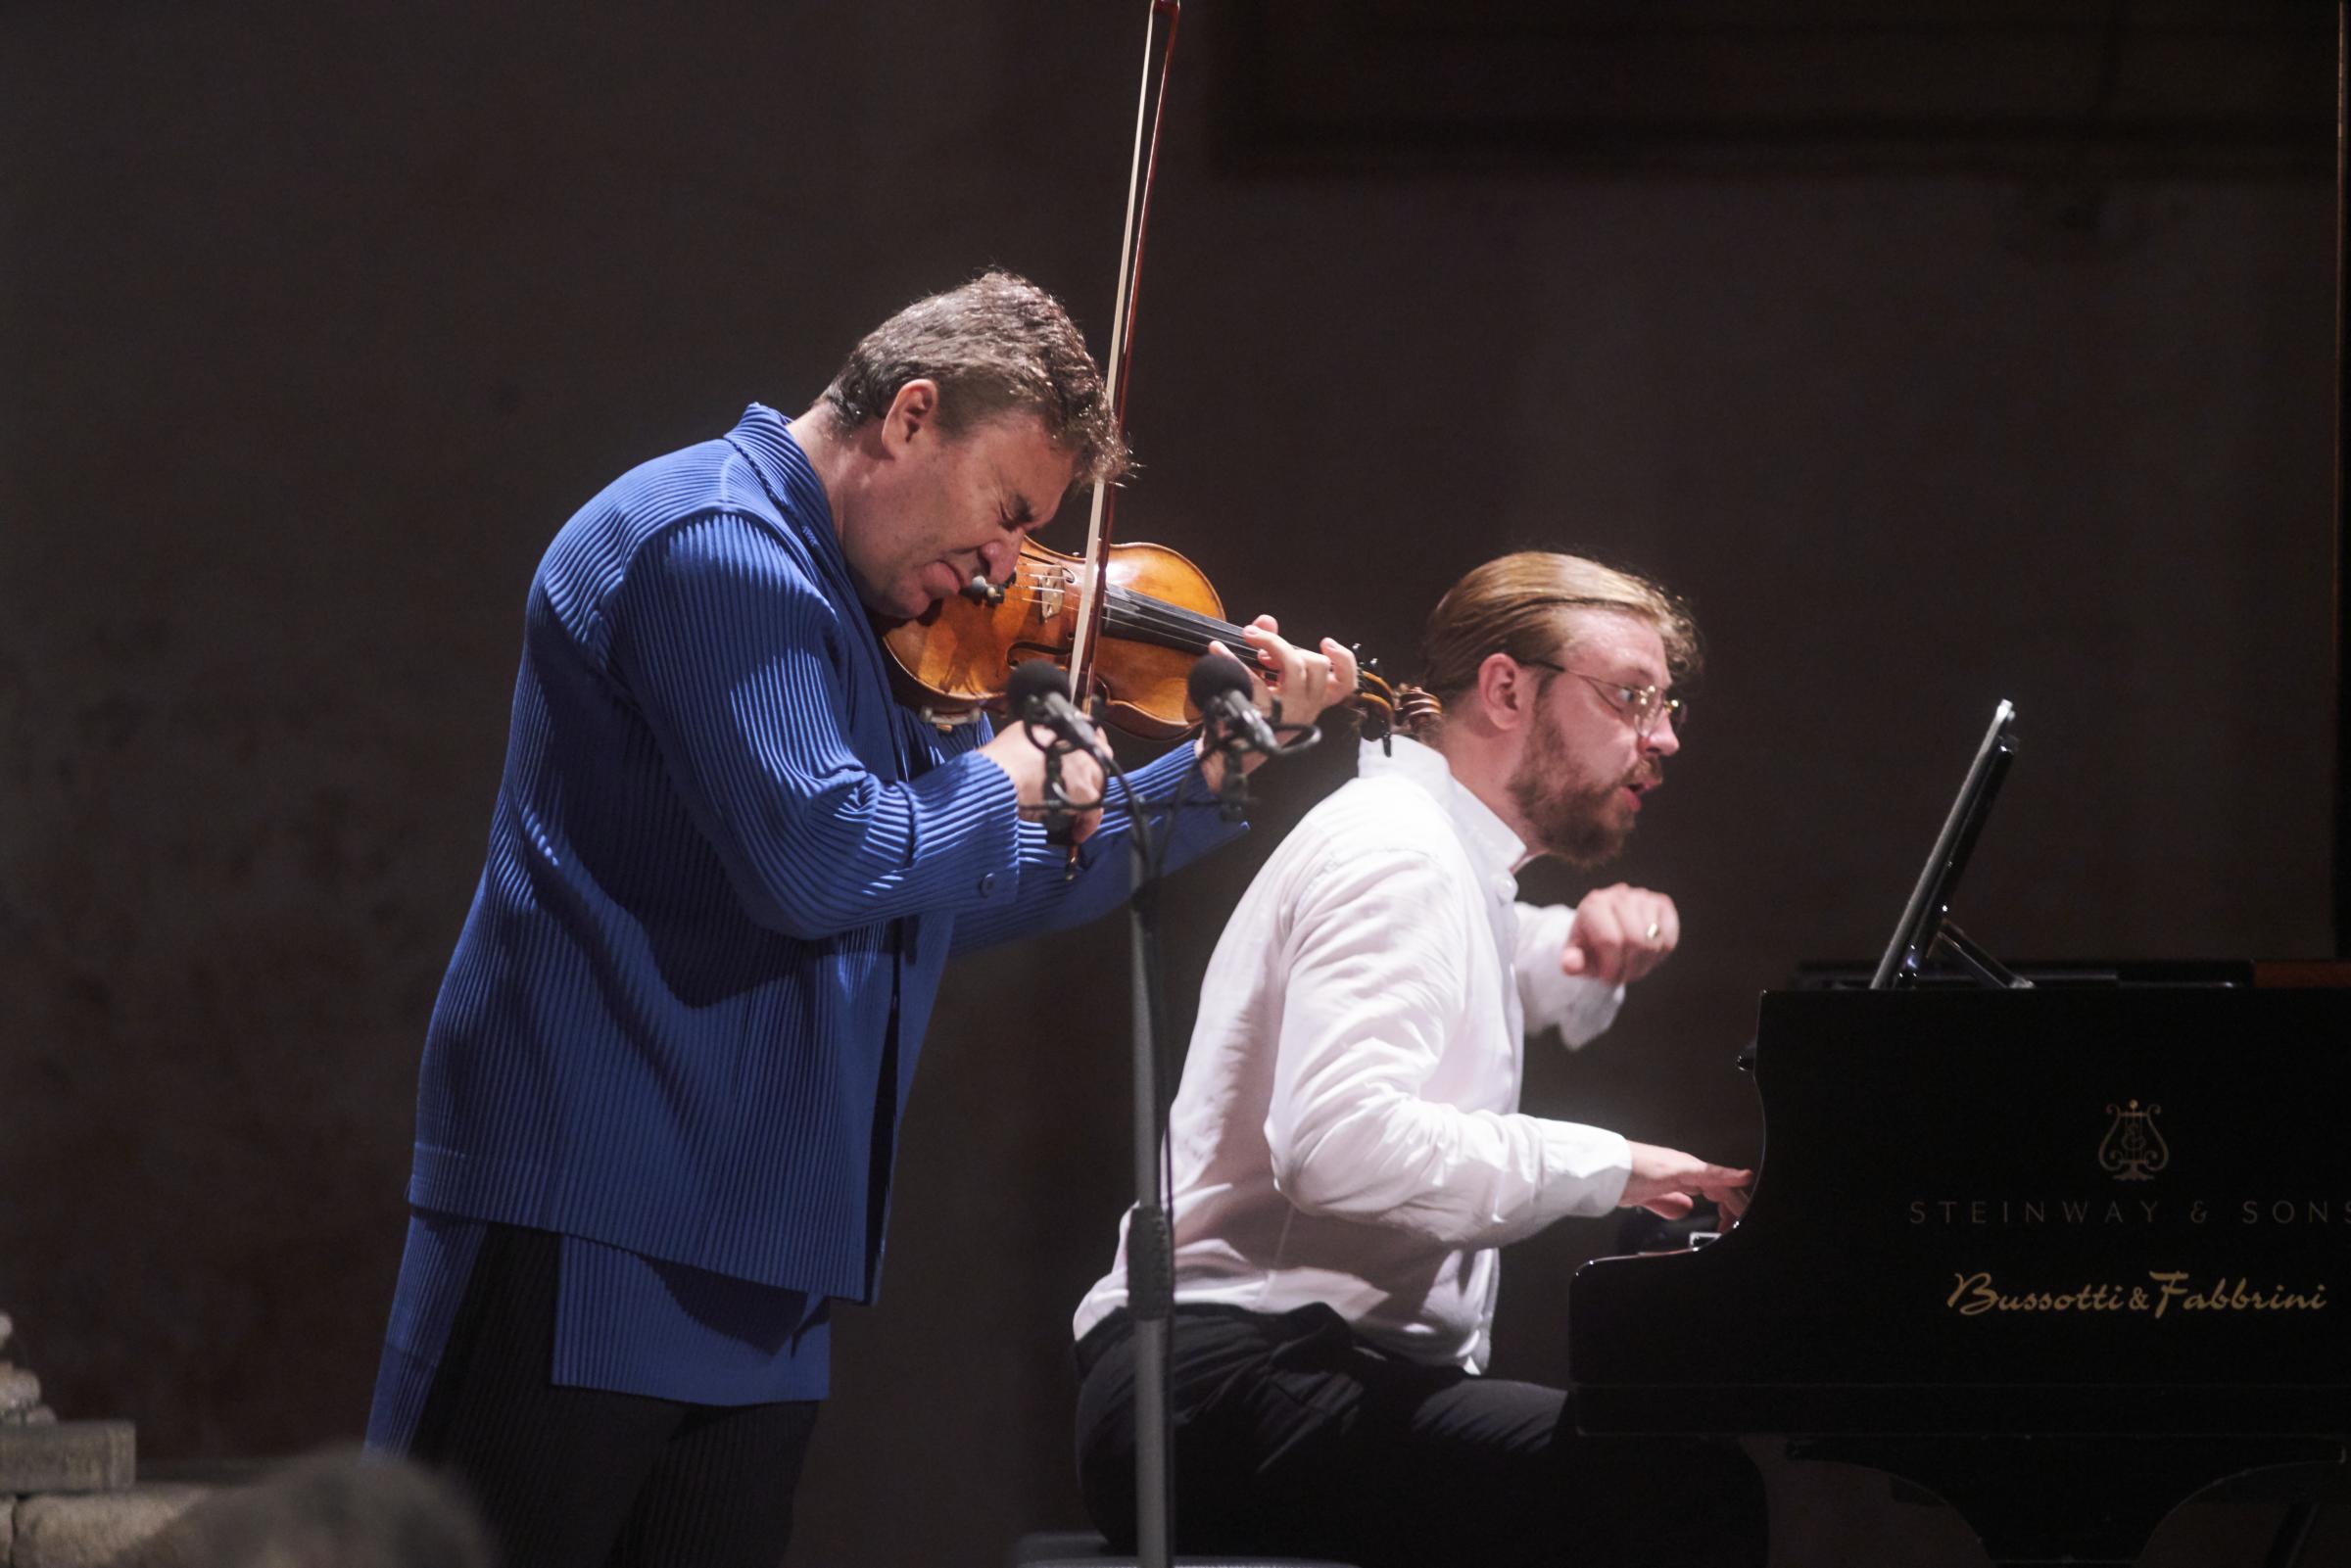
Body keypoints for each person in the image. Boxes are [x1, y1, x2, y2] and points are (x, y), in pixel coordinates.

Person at [363, 270, 1356, 1568]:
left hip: (761, 1248)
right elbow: (821, 861)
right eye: (1008, 511)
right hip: (593, 1217)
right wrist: (1001, 774)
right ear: (910, 416)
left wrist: (1217, 768)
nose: (1007, 566)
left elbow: (940, 885)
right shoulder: (712, 544)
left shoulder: (872, 611)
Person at [1070, 551, 1767, 1568]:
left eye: (1667, 707)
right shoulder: (1397, 852)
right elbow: (1337, 1144)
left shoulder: (1438, 854)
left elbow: (1485, 953)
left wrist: (1578, 943)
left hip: (1268, 1375)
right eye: (1631, 697)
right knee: (1681, 1490)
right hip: (1224, 1382)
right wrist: (1615, 1164)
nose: (1661, 738)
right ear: (1506, 689)